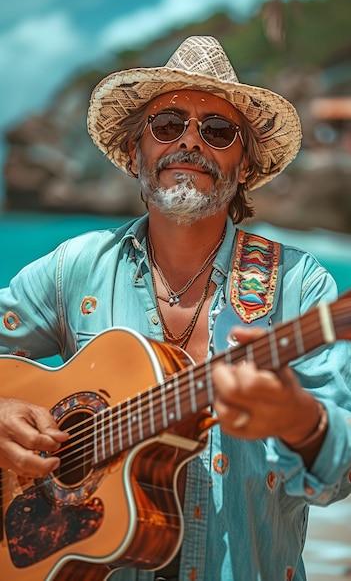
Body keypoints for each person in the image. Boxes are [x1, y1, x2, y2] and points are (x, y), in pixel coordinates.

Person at [0, 35, 351, 581]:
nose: (190, 141)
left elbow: (341, 476)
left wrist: (300, 420)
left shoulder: (300, 286)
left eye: (217, 131)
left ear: (243, 161)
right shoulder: (75, 267)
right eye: (167, 125)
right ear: (138, 150)